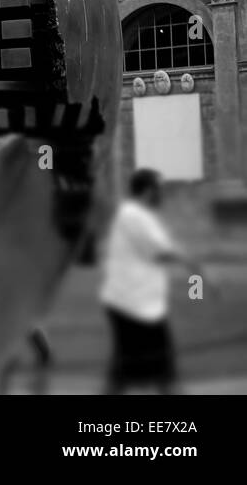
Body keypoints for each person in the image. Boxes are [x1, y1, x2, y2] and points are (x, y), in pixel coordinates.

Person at [99, 169, 199, 394]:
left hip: (137, 303)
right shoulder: (132, 215)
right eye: (158, 189)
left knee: (129, 371)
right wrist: (198, 268)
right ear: (147, 191)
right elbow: (163, 251)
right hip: (133, 305)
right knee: (155, 368)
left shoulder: (138, 215)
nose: (161, 194)